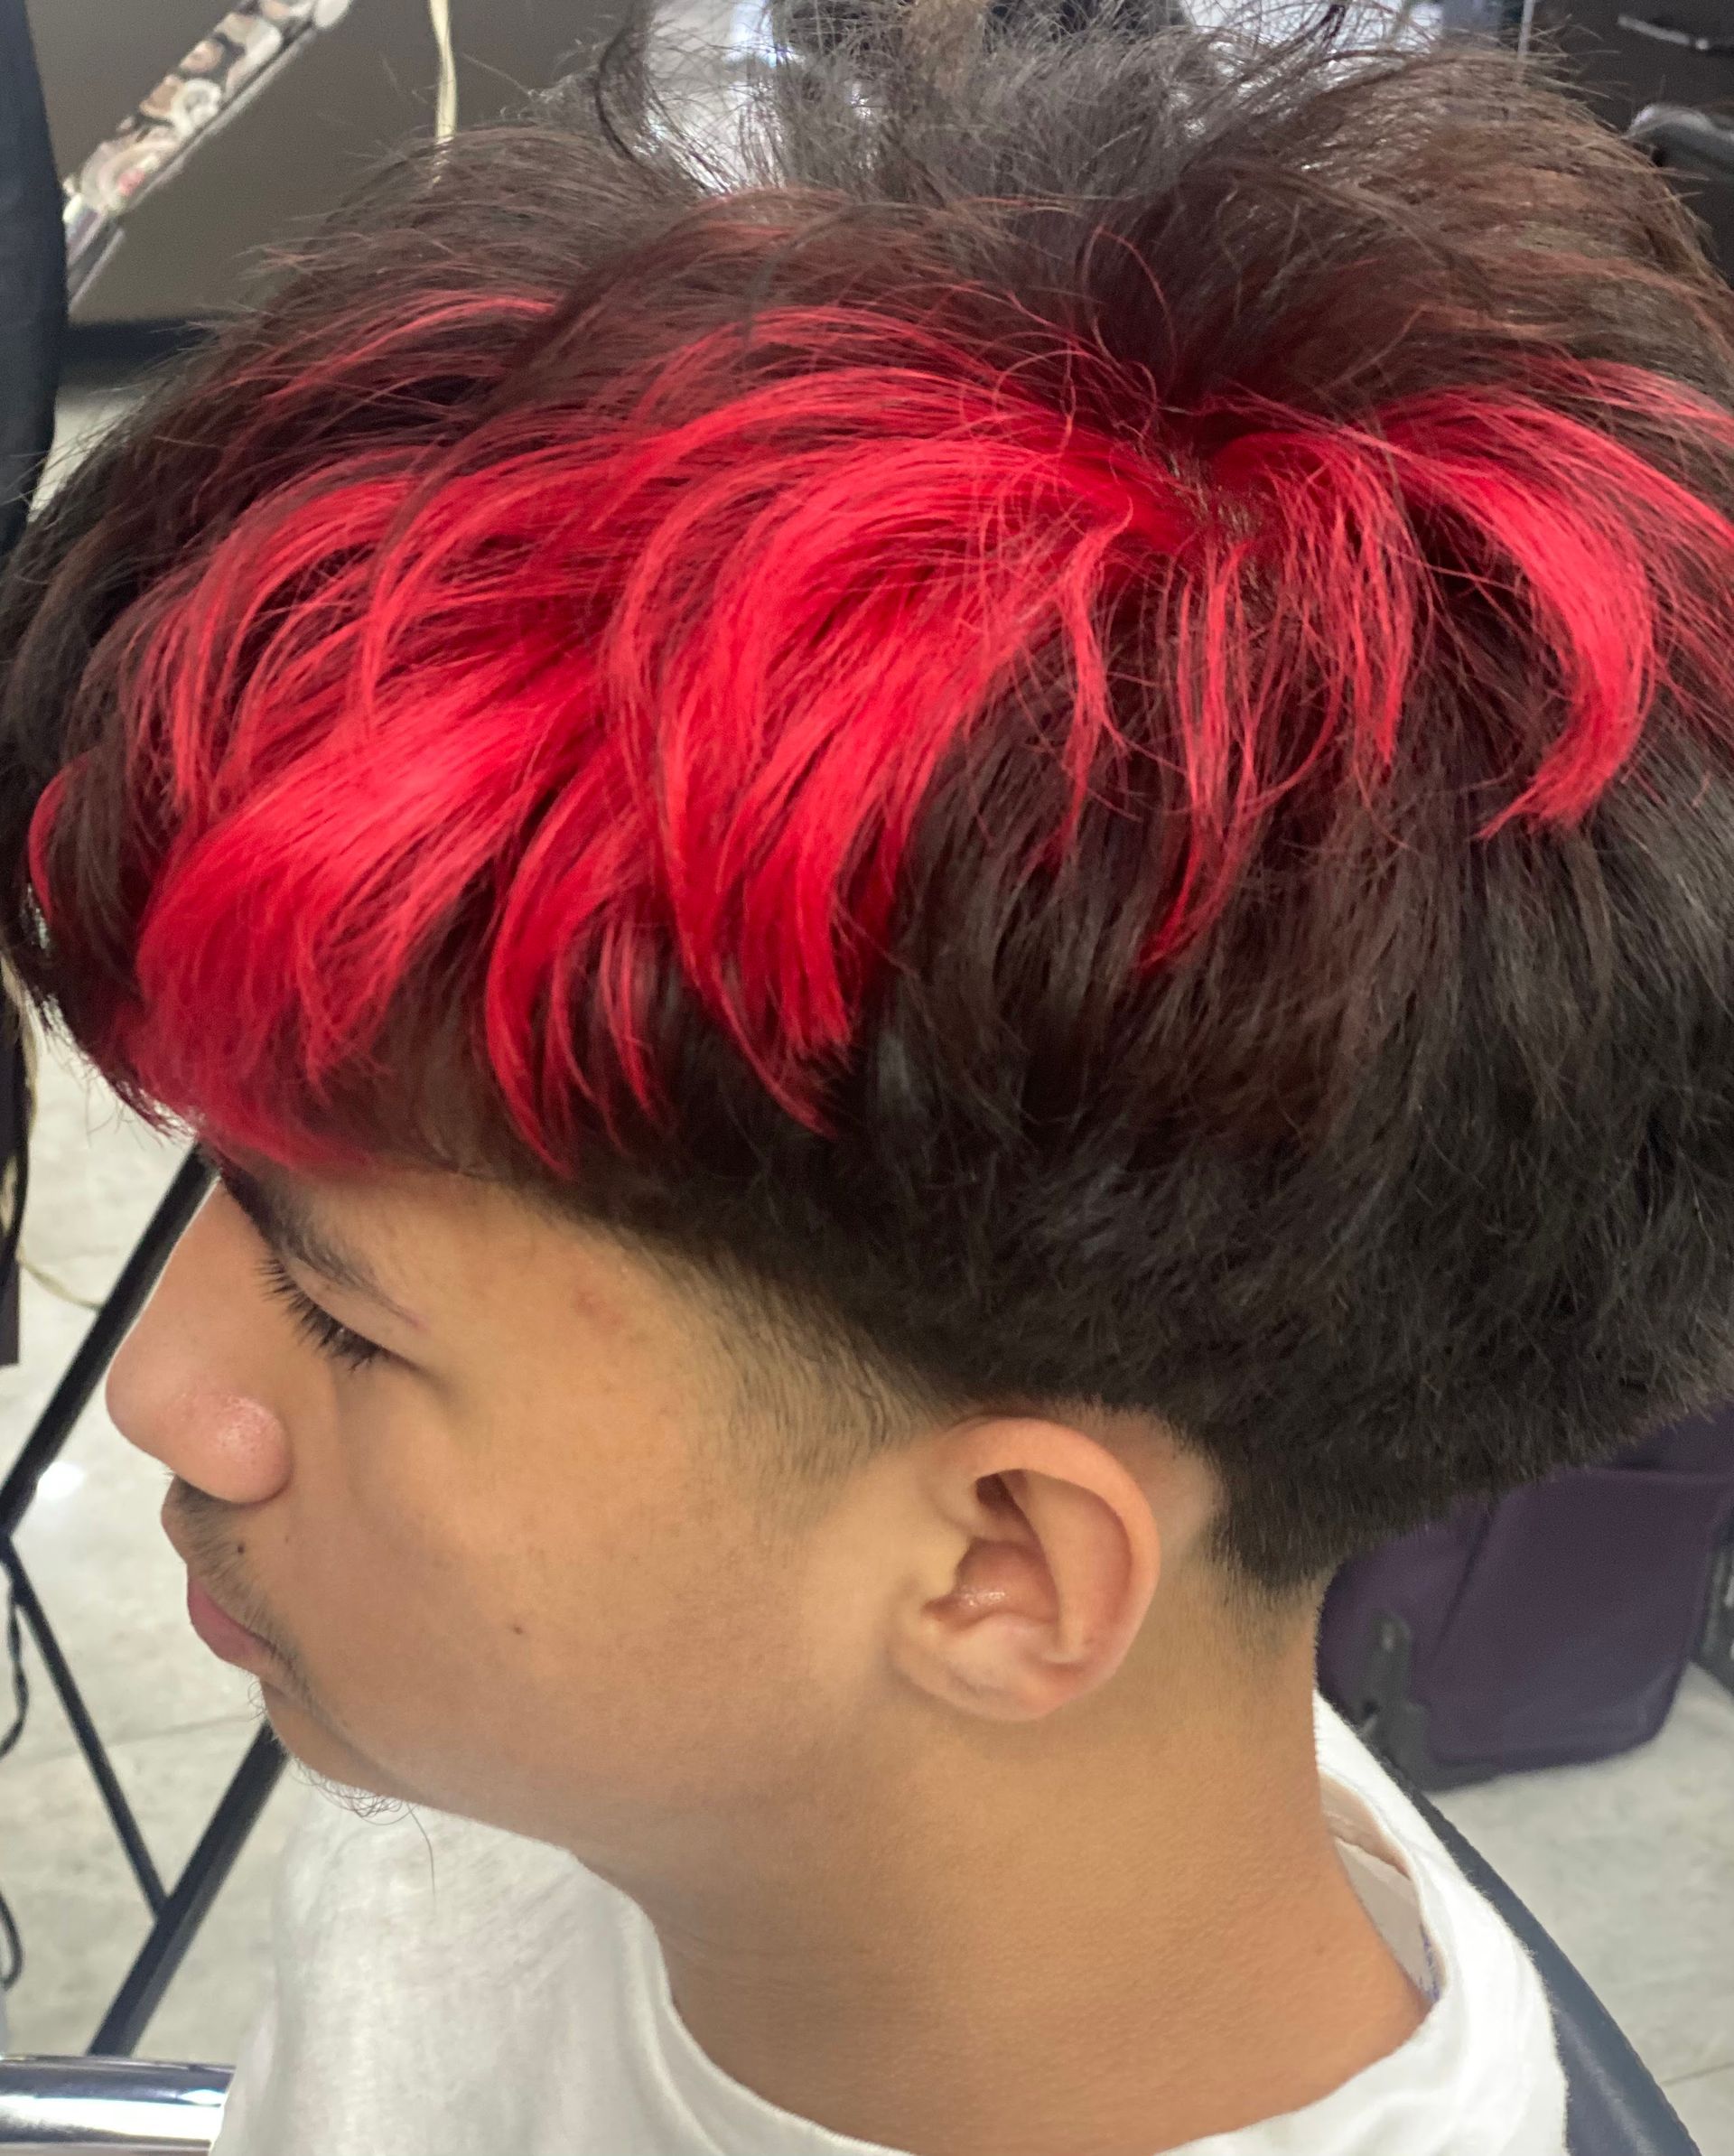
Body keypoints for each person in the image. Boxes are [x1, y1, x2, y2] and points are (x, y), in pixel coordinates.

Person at [5, 2, 1734, 2148]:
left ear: (999, 1563)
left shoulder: (565, 1714)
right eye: (223, 1205)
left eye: (342, 1314)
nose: (169, 1398)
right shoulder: (556, 1767)